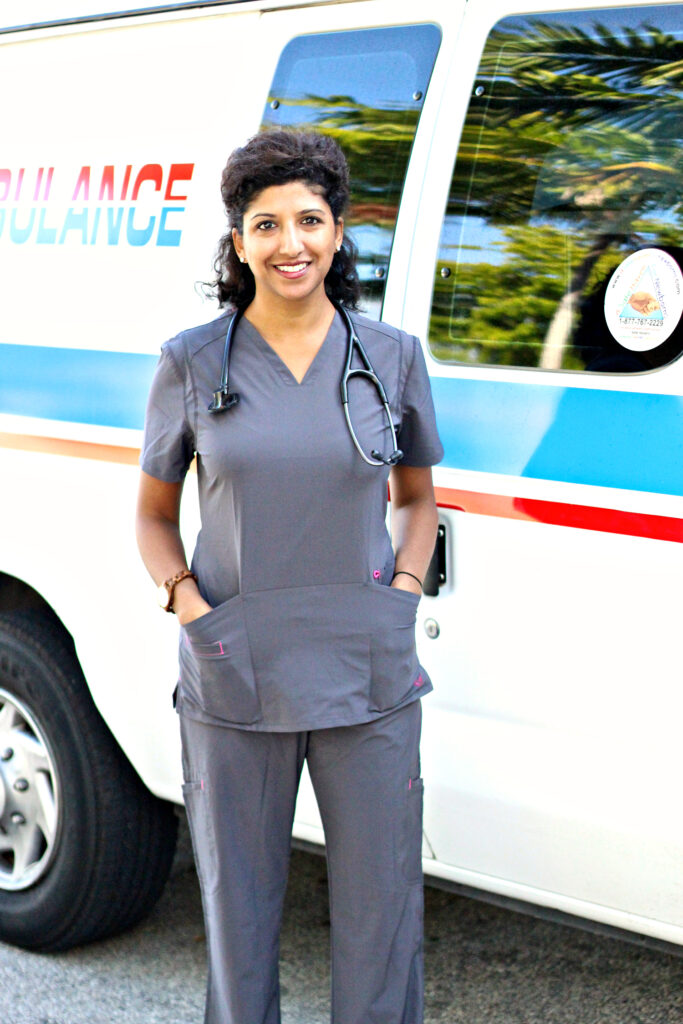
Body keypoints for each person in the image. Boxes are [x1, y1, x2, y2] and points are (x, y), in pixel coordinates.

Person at [135, 129, 444, 1024]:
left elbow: (416, 498)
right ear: (239, 244)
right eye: (265, 225)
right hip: (235, 667)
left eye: (309, 219)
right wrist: (192, 609)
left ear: (338, 232)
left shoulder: (391, 356)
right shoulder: (192, 362)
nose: (290, 242)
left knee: (383, 917)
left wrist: (402, 595)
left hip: (368, 670)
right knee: (237, 915)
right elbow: (153, 517)